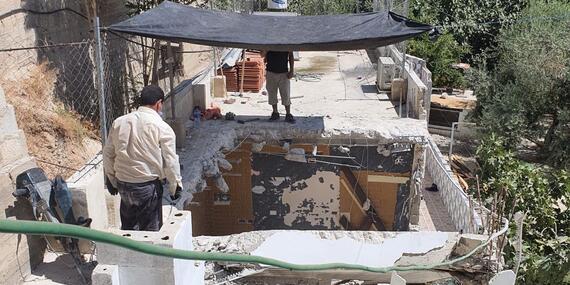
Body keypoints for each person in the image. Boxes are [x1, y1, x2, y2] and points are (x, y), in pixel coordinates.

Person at [103, 85, 182, 231]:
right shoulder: (162, 127)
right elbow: (171, 160)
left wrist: (111, 179)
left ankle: (127, 253)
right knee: (150, 231)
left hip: (123, 184)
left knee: (128, 228)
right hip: (147, 187)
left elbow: (108, 153)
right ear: (159, 104)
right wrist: (175, 186)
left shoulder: (119, 122)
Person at [262, 50, 295, 123]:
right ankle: (275, 113)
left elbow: (291, 55)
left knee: (286, 93)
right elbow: (262, 54)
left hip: (284, 73)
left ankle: (288, 114)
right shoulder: (268, 41)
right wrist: (266, 49)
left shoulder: (286, 42)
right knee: (272, 93)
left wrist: (292, 70)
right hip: (270, 72)